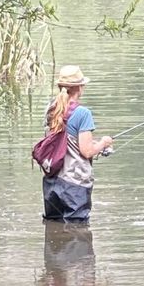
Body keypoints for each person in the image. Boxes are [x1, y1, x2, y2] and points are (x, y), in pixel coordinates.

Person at [41, 64, 112, 224]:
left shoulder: (51, 109)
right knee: (78, 235)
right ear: (80, 87)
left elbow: (62, 142)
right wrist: (103, 143)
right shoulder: (82, 113)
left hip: (51, 183)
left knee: (54, 232)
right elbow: (86, 151)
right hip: (74, 185)